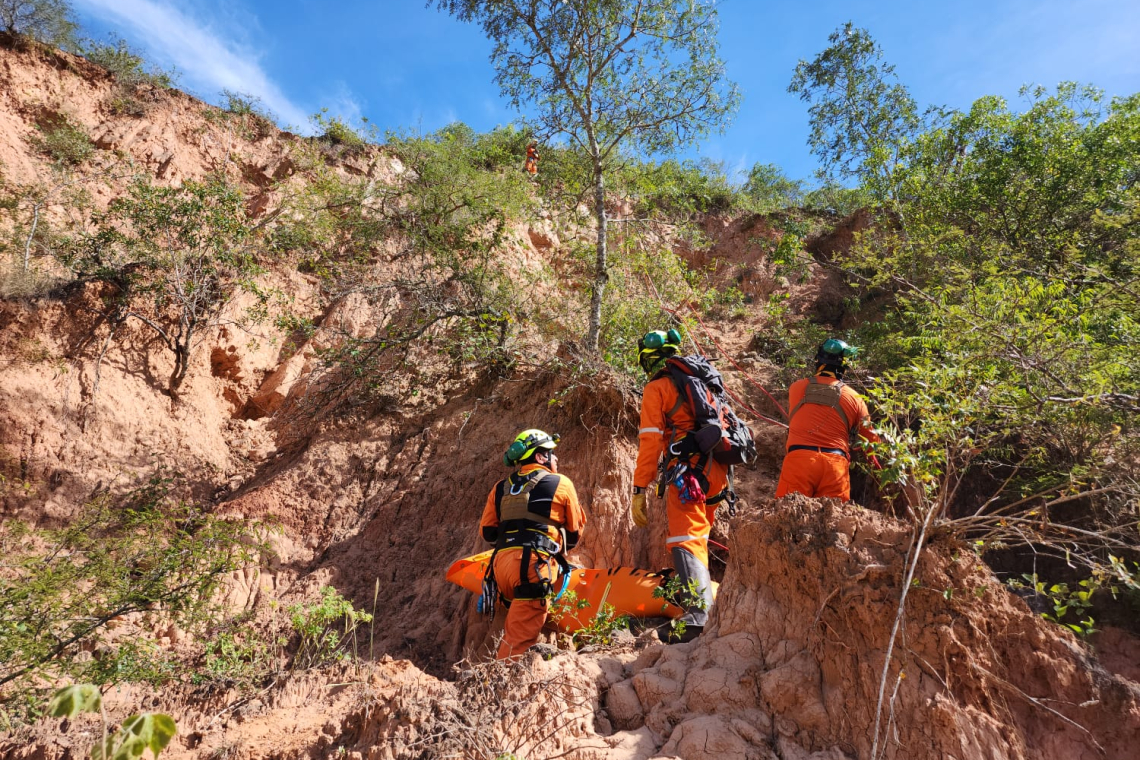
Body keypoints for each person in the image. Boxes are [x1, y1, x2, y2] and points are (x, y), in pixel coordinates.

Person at [630, 329, 728, 641]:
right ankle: (709, 610)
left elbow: (650, 442)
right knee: (700, 535)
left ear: (648, 360)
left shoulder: (658, 387)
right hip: (716, 470)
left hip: (688, 472)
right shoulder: (701, 383)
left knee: (686, 538)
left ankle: (698, 619)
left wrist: (638, 488)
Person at [479, 429, 585, 659]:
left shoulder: (499, 487)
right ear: (539, 457)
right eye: (552, 453)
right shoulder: (561, 483)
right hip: (532, 567)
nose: (556, 458)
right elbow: (574, 535)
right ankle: (502, 682)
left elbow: (488, 533)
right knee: (518, 640)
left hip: (500, 569)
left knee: (519, 616)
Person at [775, 339, 882, 501]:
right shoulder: (855, 397)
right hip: (835, 465)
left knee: (787, 516)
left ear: (818, 361)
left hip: (799, 461)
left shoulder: (796, 388)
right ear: (844, 367)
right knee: (834, 521)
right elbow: (870, 440)